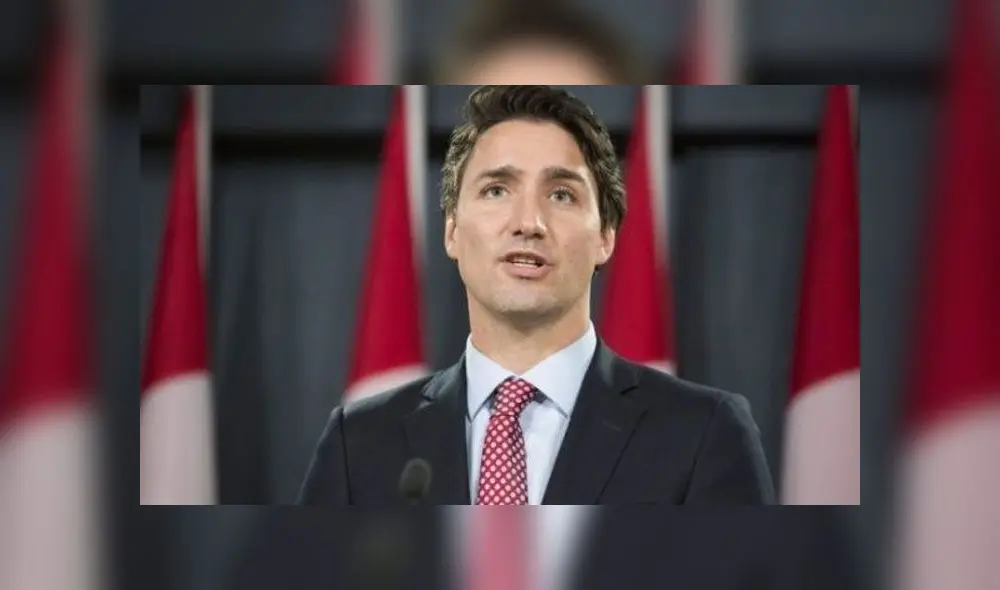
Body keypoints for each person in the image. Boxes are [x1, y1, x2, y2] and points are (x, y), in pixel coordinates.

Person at [298, 85, 774, 505]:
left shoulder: (705, 433)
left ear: (606, 236)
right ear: (451, 231)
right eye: (497, 190)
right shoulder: (357, 444)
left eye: (562, 194)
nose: (529, 222)